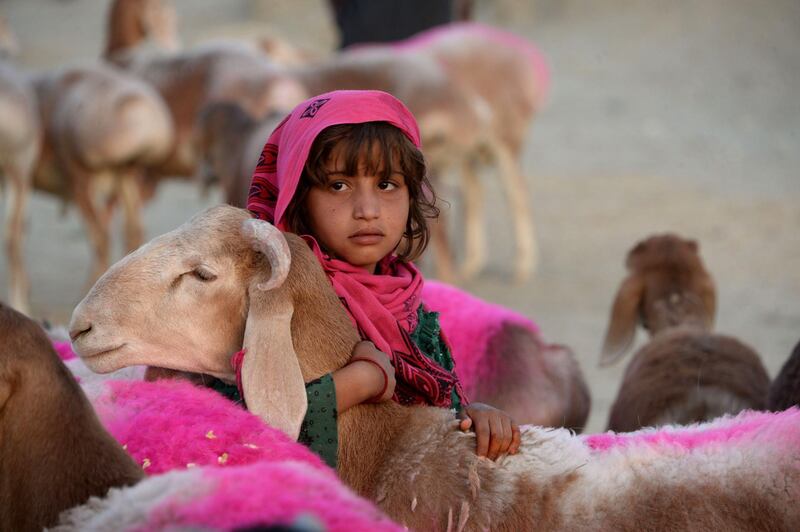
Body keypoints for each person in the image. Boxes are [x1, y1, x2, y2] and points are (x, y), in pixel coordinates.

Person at [243, 89, 520, 468]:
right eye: (338, 185)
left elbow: (434, 414)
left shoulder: (411, 310)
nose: (367, 210)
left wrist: (475, 417)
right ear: (296, 196)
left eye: (387, 185)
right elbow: (236, 432)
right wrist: (354, 385)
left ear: (412, 194)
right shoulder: (271, 300)